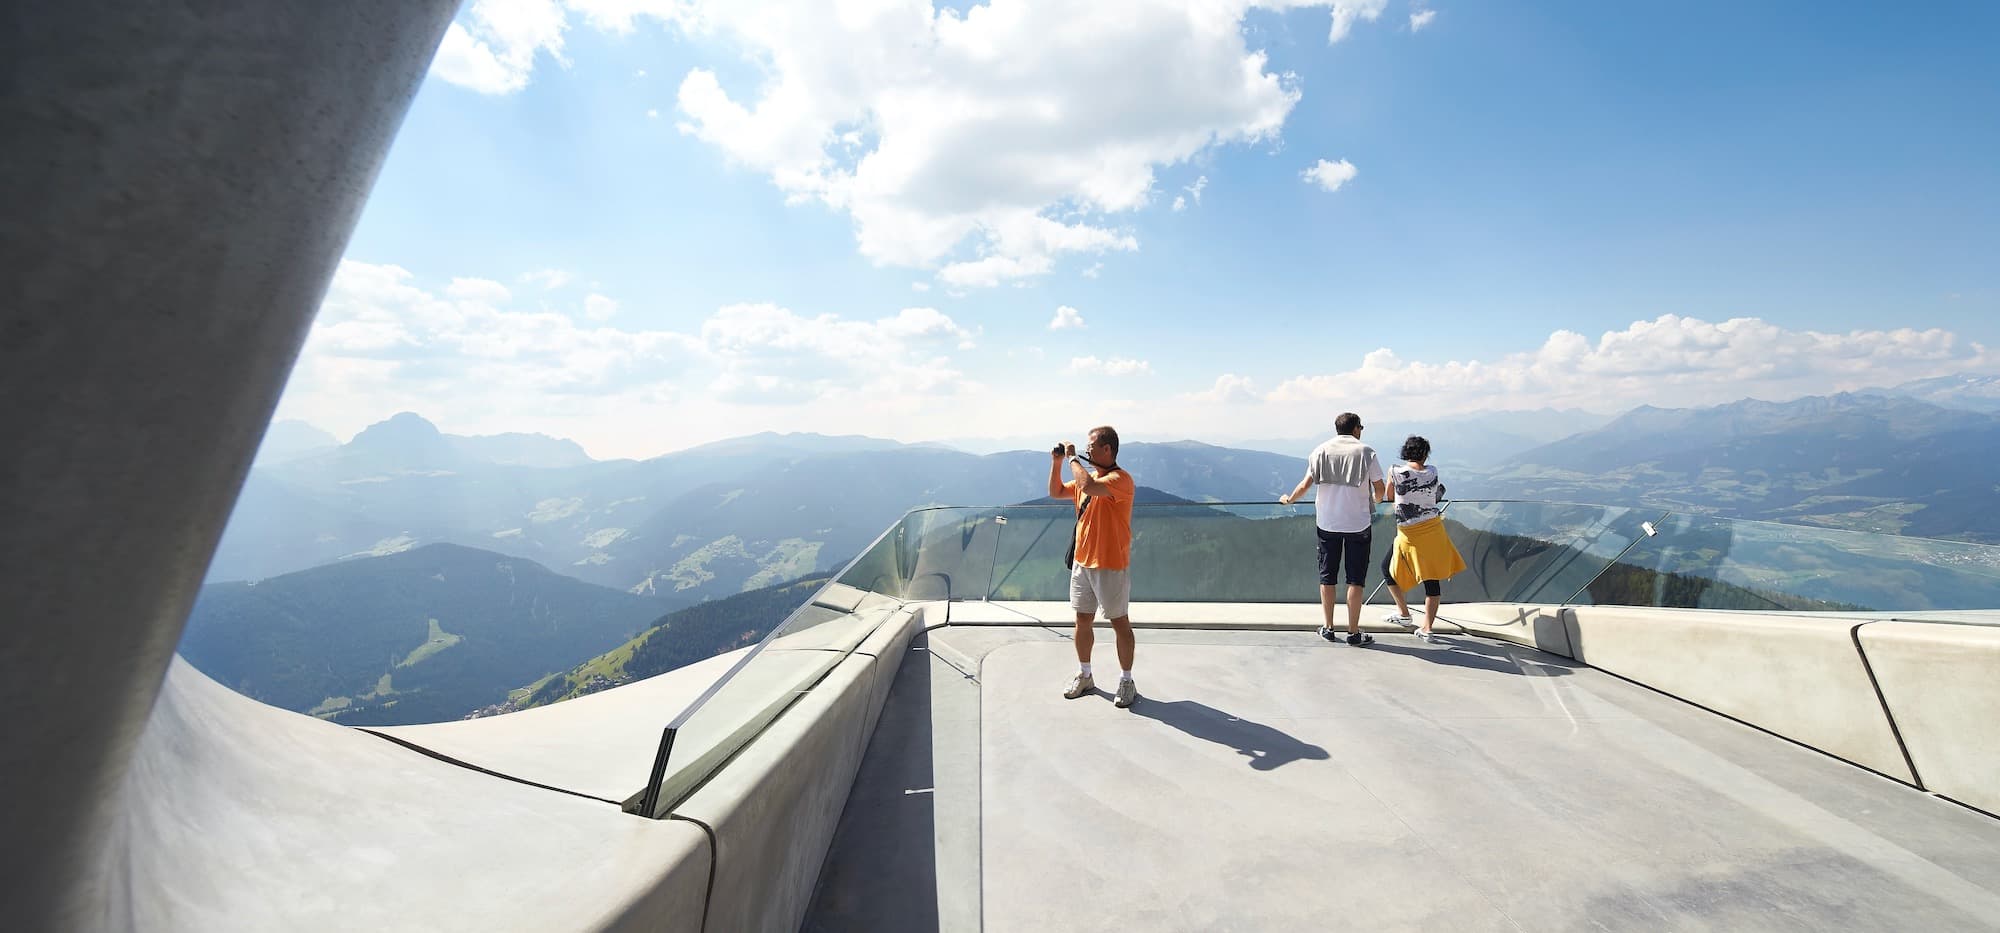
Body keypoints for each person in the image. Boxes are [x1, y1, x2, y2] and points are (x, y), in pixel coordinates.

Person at [1048, 425, 1139, 708]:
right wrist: (1057, 463)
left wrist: (1072, 458)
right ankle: (1085, 674)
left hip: (1110, 563)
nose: (1087, 450)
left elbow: (1087, 486)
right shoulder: (1089, 479)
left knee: (1119, 623)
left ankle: (1127, 680)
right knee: (1082, 620)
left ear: (1107, 449)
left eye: (1091, 446)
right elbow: (1056, 492)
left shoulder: (1120, 480)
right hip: (1082, 561)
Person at [1279, 412, 1386, 646]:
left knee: (1327, 576)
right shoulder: (1366, 452)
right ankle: (1354, 632)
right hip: (1358, 523)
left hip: (1327, 523)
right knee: (1355, 579)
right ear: (1356, 429)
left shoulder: (1320, 451)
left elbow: (1305, 485)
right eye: (1361, 427)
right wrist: (1376, 501)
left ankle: (1328, 627)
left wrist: (1289, 499)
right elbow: (1380, 488)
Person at [1382, 435, 1466, 641]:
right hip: (1433, 530)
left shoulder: (1394, 471)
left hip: (1409, 533)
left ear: (1405, 452)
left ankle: (1404, 613)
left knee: (1387, 568)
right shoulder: (1433, 471)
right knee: (1431, 579)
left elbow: (1389, 496)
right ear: (1425, 454)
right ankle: (1427, 628)